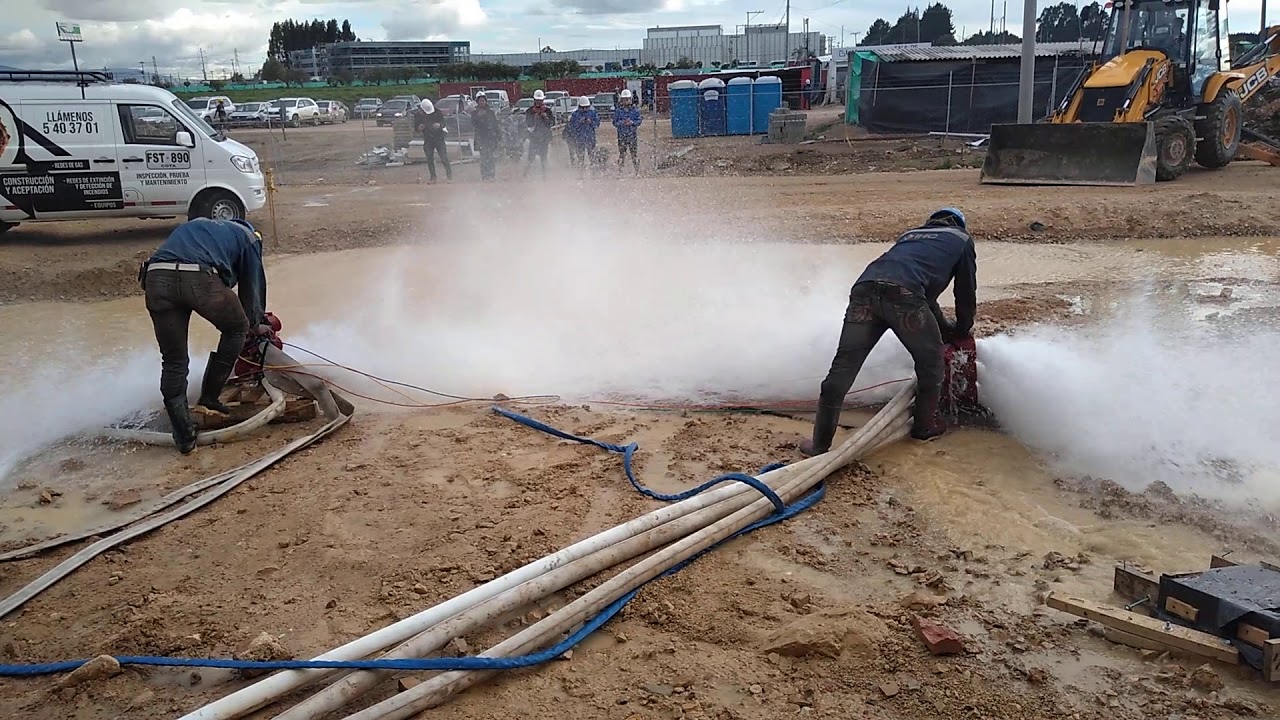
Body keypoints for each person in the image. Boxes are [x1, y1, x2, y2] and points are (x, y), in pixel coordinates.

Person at [800, 208, 977, 456]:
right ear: (959, 224)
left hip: (864, 290)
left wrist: (945, 328)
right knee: (931, 362)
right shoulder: (962, 239)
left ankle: (819, 445)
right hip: (905, 295)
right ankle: (925, 427)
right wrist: (962, 329)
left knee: (842, 370)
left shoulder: (910, 235)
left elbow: (926, 299)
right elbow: (965, 293)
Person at [140, 217, 269, 454]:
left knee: (174, 359)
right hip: (198, 278)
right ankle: (209, 397)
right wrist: (255, 324)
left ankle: (184, 436)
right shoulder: (250, 237)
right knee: (236, 328)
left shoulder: (201, 227)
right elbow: (252, 287)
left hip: (156, 278)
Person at [412, 98, 452, 183]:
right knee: (429, 158)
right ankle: (433, 177)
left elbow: (443, 123)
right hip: (428, 138)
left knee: (444, 157)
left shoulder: (437, 112)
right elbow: (416, 128)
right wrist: (419, 128)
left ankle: (449, 176)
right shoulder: (418, 115)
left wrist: (439, 125)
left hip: (439, 137)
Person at [565, 96, 601, 173]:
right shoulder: (575, 114)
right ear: (579, 106)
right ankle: (580, 172)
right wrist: (579, 122)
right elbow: (571, 126)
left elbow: (597, 124)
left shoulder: (593, 113)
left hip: (590, 138)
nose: (585, 109)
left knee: (592, 156)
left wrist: (591, 122)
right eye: (583, 107)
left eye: (586, 107)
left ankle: (593, 172)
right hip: (579, 139)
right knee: (580, 157)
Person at [524, 90, 555, 178]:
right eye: (537, 100)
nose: (539, 102)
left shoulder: (548, 111)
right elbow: (528, 124)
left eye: (540, 100)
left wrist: (546, 118)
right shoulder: (529, 111)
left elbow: (551, 123)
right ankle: (525, 175)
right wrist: (534, 118)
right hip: (534, 138)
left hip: (544, 138)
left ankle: (544, 176)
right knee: (530, 157)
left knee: (543, 158)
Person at [470, 94, 500, 182]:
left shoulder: (490, 112)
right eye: (480, 101)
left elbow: (495, 124)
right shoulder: (475, 113)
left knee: (490, 157)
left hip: (490, 138)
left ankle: (492, 175)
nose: (482, 102)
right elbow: (473, 124)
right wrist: (478, 117)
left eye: (483, 101)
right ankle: (484, 176)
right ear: (478, 102)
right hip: (481, 138)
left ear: (486, 101)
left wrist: (498, 135)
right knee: (483, 158)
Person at [612, 89, 642, 175]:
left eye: (628, 99)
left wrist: (632, 122)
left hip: (632, 136)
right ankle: (620, 172)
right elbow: (614, 122)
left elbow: (639, 120)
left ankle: (637, 172)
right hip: (622, 136)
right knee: (622, 154)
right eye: (624, 99)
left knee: (634, 154)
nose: (626, 101)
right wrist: (622, 123)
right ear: (621, 100)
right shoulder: (618, 111)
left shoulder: (635, 110)